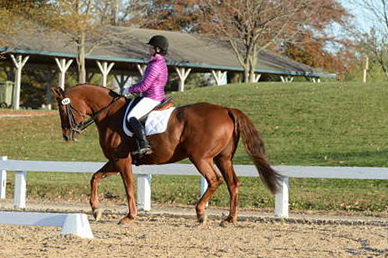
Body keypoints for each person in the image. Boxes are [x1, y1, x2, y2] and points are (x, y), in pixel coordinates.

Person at [122, 35, 169, 156]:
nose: (149, 50)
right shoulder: (161, 63)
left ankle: (144, 144)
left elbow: (144, 86)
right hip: (157, 96)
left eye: (151, 47)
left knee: (131, 116)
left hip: (152, 97)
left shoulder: (154, 65)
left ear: (157, 49)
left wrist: (128, 89)